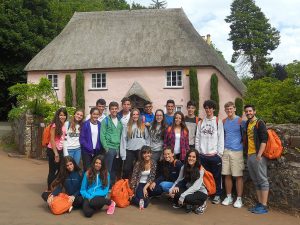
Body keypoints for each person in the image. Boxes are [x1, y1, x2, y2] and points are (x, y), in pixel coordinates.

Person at [195, 100, 224, 204]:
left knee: (217, 176)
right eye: (206, 108)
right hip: (202, 155)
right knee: (204, 176)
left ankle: (217, 195)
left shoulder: (218, 121)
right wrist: (198, 153)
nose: (208, 110)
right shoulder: (201, 122)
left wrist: (219, 154)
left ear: (213, 109)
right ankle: (207, 193)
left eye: (210, 108)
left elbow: (221, 138)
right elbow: (197, 138)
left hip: (214, 155)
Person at [244, 104, 269, 214]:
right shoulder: (248, 123)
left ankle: (264, 206)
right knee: (256, 180)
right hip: (250, 155)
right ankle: (259, 203)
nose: (248, 113)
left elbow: (264, 140)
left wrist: (259, 154)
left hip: (258, 155)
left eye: (250, 111)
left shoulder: (260, 123)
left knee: (262, 179)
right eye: (246, 111)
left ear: (254, 111)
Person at [169, 149, 208, 214]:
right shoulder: (184, 167)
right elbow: (179, 179)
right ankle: (189, 204)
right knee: (175, 192)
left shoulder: (200, 170)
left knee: (187, 198)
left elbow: (196, 187)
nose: (191, 158)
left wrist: (182, 196)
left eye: (193, 157)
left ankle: (202, 203)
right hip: (189, 189)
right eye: (189, 156)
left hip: (200, 192)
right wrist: (171, 189)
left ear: (197, 158)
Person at [221, 102, 245, 208]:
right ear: (225, 110)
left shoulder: (240, 121)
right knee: (227, 175)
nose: (229, 110)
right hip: (226, 150)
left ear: (234, 109)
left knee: (238, 175)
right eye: (227, 109)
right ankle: (229, 197)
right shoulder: (224, 121)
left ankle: (239, 199)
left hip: (237, 151)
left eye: (231, 108)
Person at [120, 108, 150, 179]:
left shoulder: (143, 126)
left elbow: (147, 138)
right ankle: (124, 185)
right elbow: (123, 140)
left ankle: (138, 185)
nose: (135, 116)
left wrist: (147, 149)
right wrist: (123, 154)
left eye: (137, 114)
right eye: (133, 114)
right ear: (131, 115)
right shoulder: (127, 126)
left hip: (140, 150)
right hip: (130, 150)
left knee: (140, 169)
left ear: (139, 116)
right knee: (126, 169)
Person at [100, 101, 123, 186]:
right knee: (107, 169)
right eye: (112, 109)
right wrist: (106, 148)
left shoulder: (120, 120)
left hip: (118, 149)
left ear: (118, 109)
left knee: (115, 169)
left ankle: (112, 186)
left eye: (115, 109)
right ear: (109, 110)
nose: (114, 110)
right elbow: (102, 135)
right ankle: (105, 185)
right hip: (109, 148)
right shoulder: (105, 121)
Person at [46, 107, 68, 190]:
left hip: (60, 150)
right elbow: (52, 139)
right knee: (52, 171)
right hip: (53, 150)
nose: (62, 117)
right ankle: (49, 189)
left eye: (64, 115)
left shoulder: (63, 125)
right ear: (57, 116)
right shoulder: (54, 125)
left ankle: (54, 186)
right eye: (61, 115)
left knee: (61, 170)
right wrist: (56, 153)